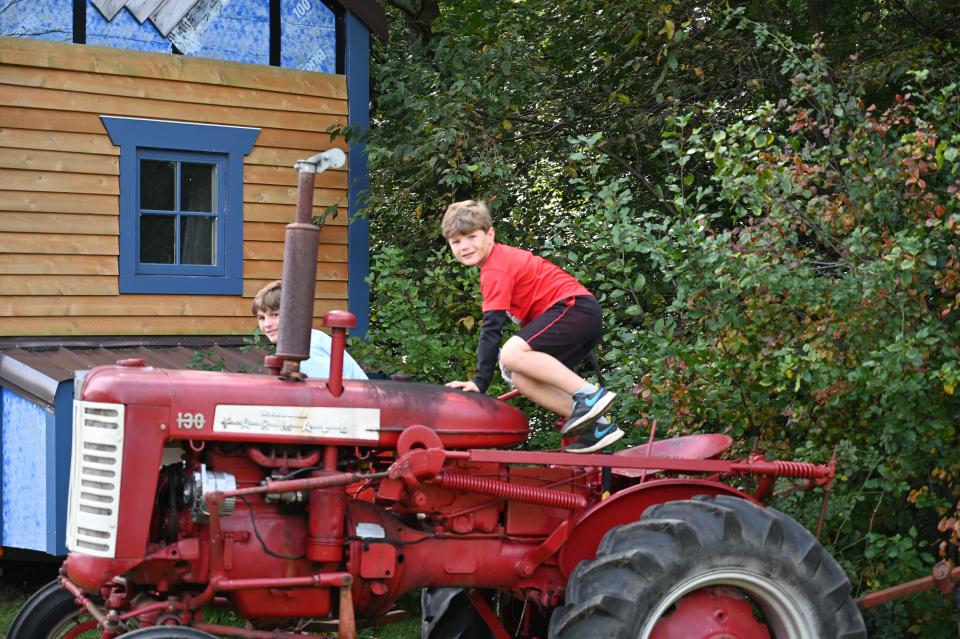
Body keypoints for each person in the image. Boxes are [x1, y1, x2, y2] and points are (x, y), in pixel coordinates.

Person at [442, 200, 623, 453]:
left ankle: (589, 395)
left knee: (511, 354)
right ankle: (598, 426)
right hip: (576, 318)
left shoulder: (496, 268)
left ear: (490, 234)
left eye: (471, 237)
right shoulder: (494, 265)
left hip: (575, 309)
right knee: (521, 378)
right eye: (456, 241)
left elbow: (492, 329)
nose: (465, 246)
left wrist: (480, 383)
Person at [252, 280, 367, 380]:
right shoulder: (303, 340)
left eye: (275, 315)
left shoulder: (307, 348)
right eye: (262, 318)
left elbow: (326, 394)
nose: (267, 324)